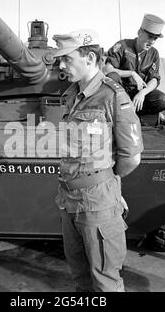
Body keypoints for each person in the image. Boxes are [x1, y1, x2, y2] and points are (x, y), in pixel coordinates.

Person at [52, 29, 143, 292]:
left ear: (90, 58)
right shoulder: (71, 95)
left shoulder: (112, 96)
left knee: (105, 280)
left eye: (67, 59)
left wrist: (109, 184)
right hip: (69, 199)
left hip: (97, 202)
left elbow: (132, 156)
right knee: (80, 277)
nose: (61, 65)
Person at [104, 14, 165, 115]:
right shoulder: (122, 46)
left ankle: (135, 114)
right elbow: (107, 70)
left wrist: (142, 93)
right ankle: (116, 114)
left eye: (155, 38)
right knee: (112, 77)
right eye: (149, 37)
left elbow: (154, 79)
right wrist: (131, 73)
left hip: (138, 94)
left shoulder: (153, 53)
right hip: (121, 92)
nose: (152, 42)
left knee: (163, 100)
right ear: (139, 32)